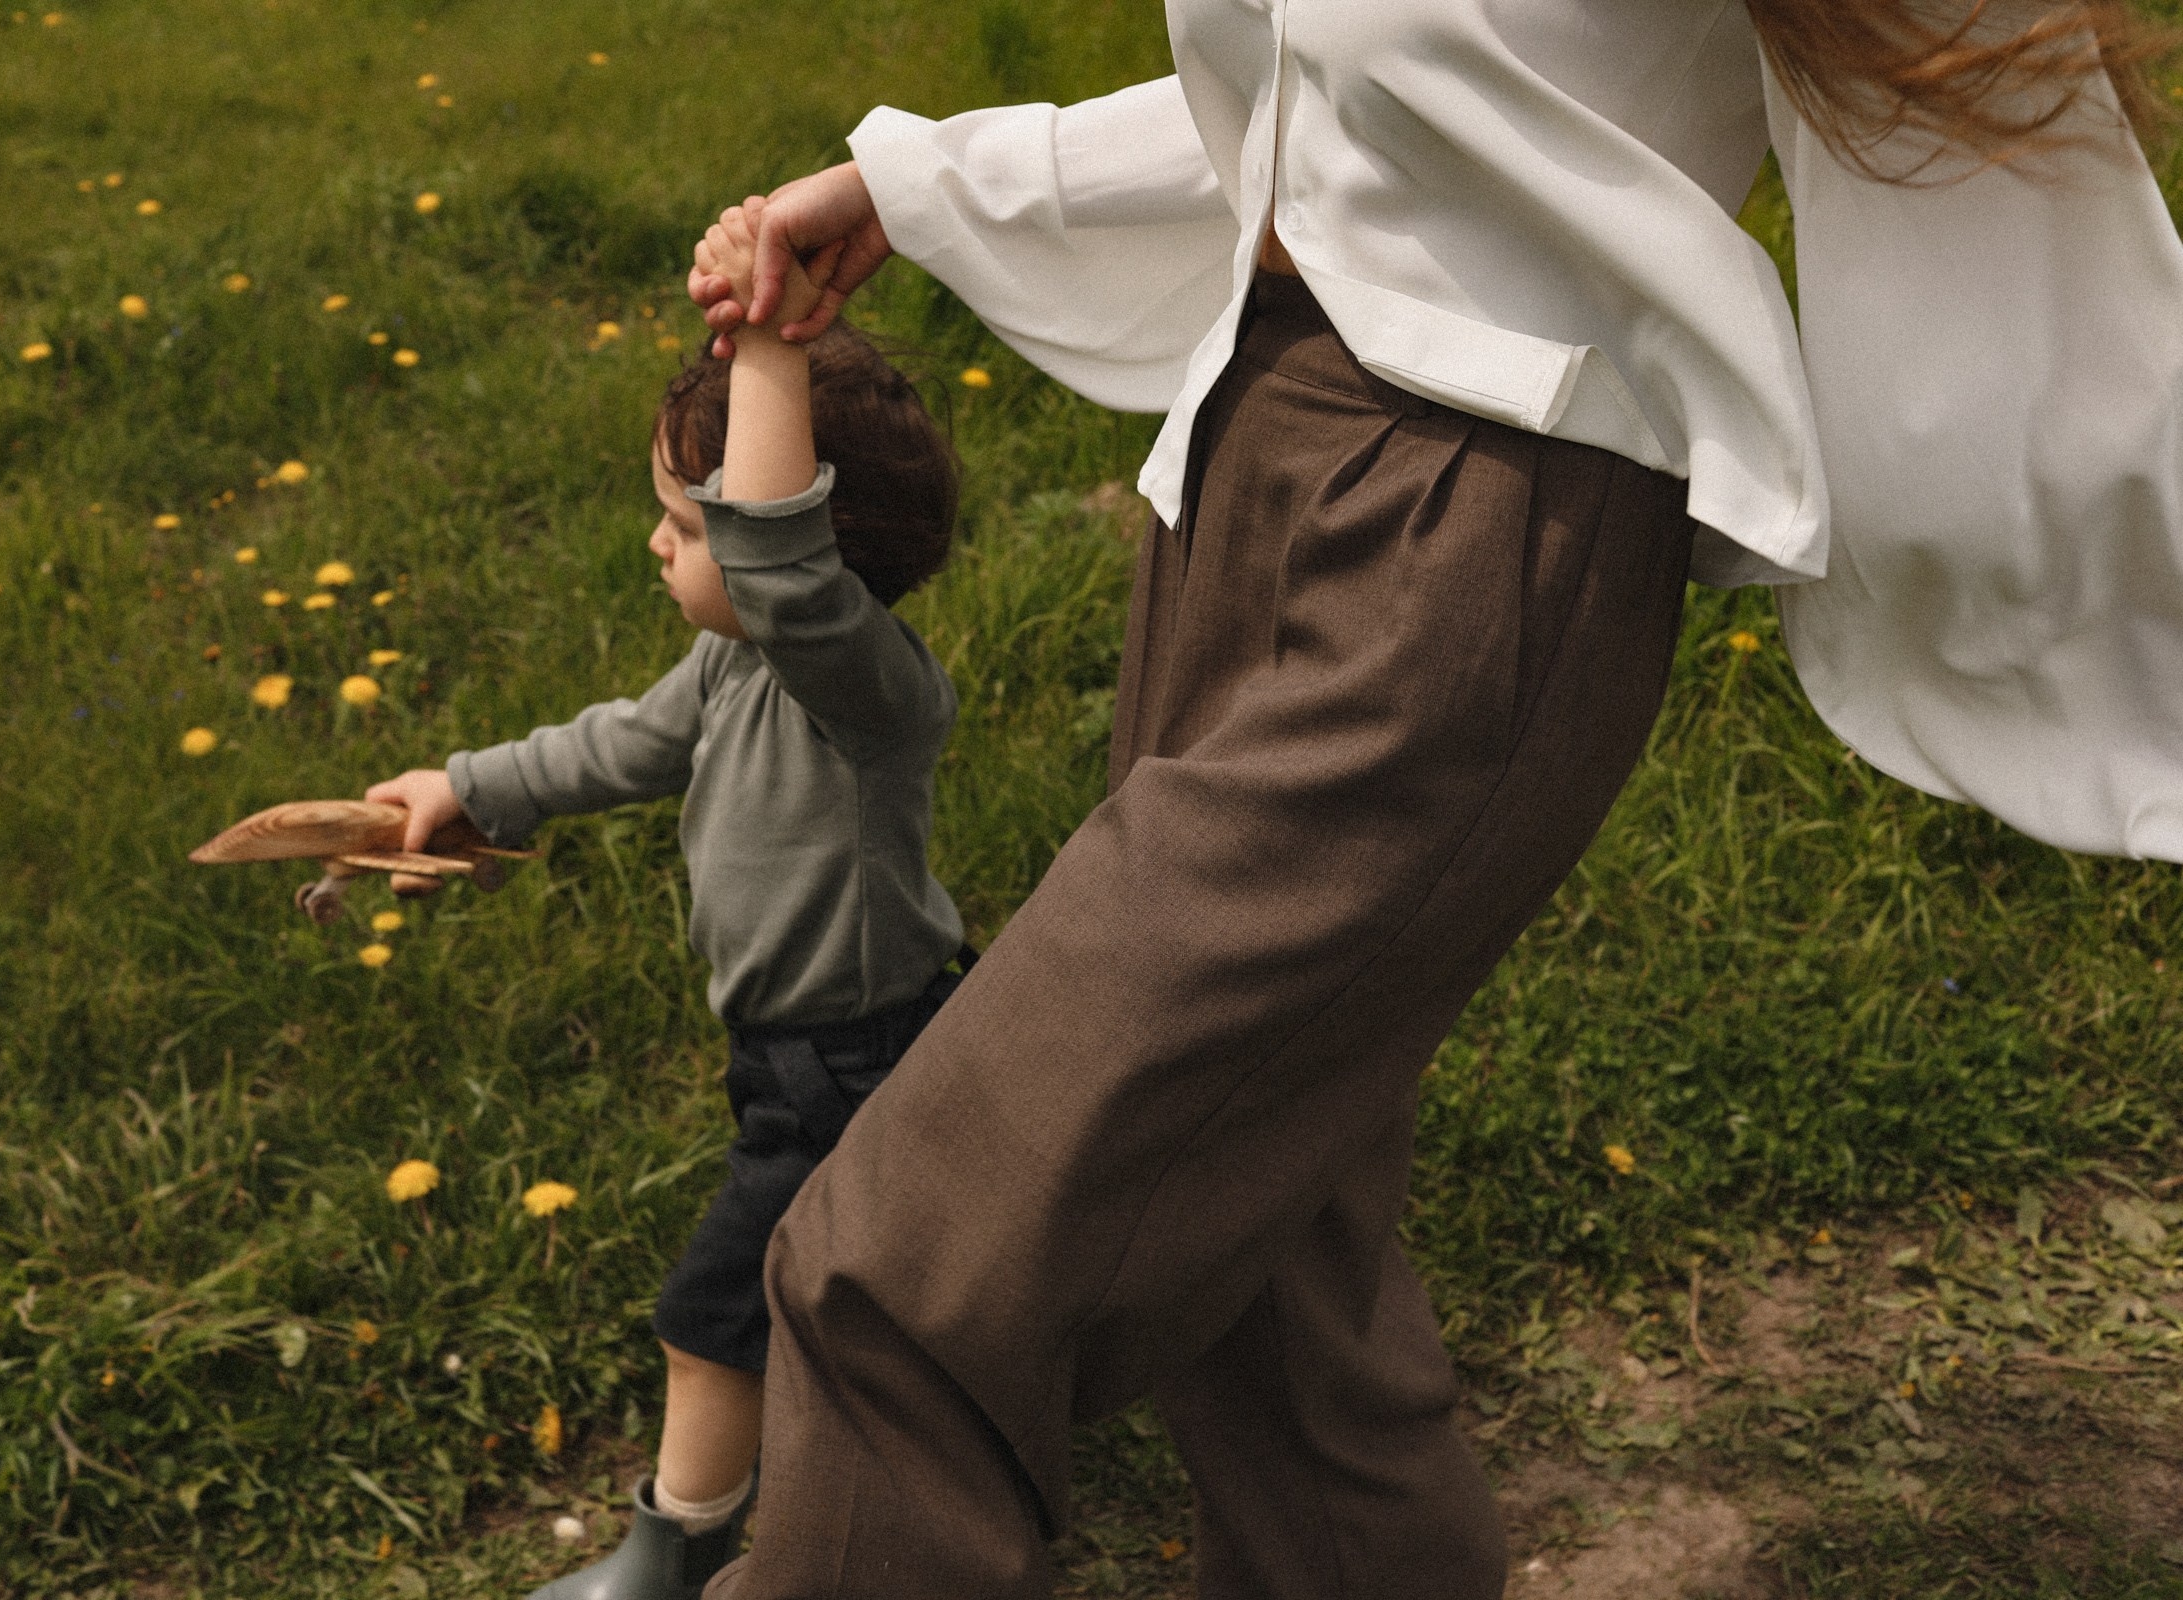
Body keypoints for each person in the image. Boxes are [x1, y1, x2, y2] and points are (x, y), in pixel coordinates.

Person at [680, 1, 2183, 1595]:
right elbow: (1318, 103)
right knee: (1268, 1287)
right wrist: (923, 182)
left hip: (1473, 530)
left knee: (908, 1272)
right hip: (1242, 457)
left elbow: (2006, 204)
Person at [366, 210, 972, 1600]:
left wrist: (765, 337)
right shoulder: (735, 672)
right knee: (846, 1291)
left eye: (686, 522)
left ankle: (673, 1553)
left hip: (856, 1056)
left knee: (717, 1308)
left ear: (809, 549)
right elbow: (621, 746)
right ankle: (895, 1457)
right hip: (793, 1052)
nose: (660, 546)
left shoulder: (862, 683)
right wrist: (466, 788)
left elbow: (776, 563)